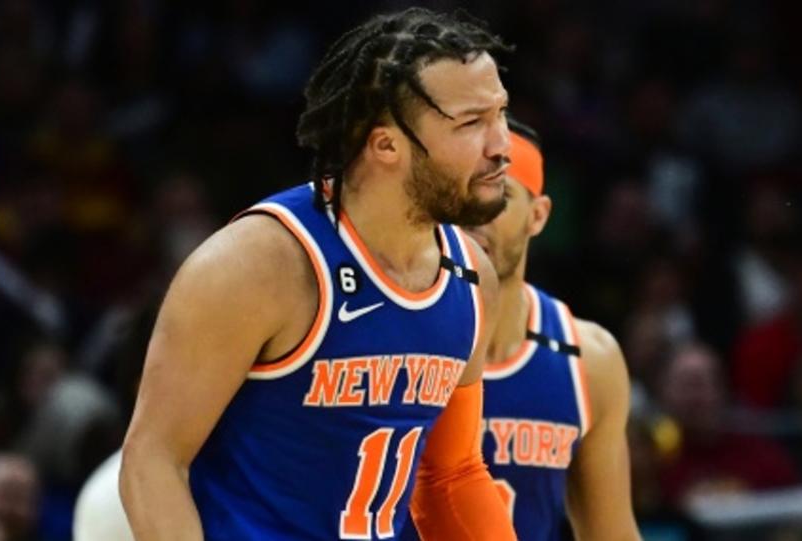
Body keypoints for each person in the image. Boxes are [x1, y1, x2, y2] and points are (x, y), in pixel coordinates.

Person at [120, 7, 517, 541]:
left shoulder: (471, 277)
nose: (501, 146)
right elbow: (153, 461)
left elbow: (451, 477)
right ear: (385, 145)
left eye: (501, 114)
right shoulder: (261, 264)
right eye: (472, 123)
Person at [464, 120, 639, 539]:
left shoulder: (588, 358)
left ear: (537, 216)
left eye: (498, 195)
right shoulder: (388, 336)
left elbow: (609, 532)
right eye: (461, 193)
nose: (473, 214)